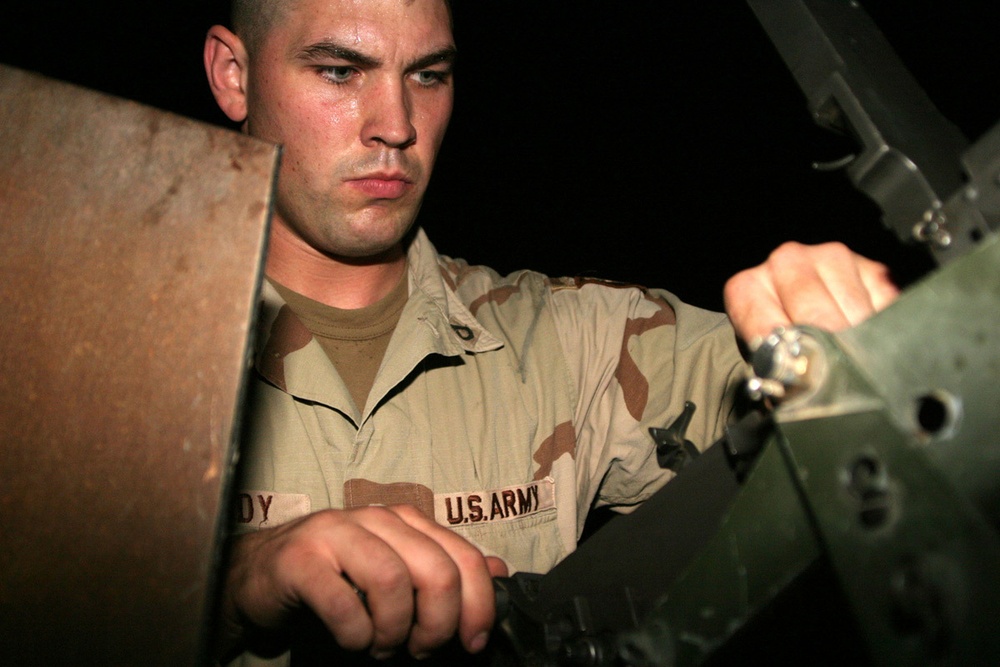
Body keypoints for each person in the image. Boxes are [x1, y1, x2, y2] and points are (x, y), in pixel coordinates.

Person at [202, 0, 898, 664]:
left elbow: (845, 422)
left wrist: (840, 330)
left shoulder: (569, 342)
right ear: (233, 75)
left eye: (429, 76)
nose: (396, 124)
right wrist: (226, 582)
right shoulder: (120, 353)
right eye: (340, 72)